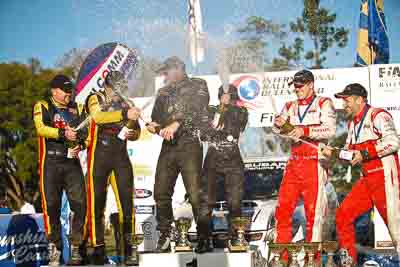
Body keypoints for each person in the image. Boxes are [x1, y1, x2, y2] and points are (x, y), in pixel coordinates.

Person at [322, 83, 400, 266]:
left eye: (346, 100)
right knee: (343, 215)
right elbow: (350, 156)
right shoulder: (352, 124)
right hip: (367, 180)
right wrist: (332, 153)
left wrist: (365, 153)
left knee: (397, 231)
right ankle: (349, 261)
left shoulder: (378, 115)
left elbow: (393, 142)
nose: (343, 105)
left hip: (386, 178)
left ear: (359, 99)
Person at [146, 56, 210, 253]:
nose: (166, 75)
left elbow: (197, 108)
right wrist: (153, 127)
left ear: (179, 68)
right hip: (169, 146)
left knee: (195, 193)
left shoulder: (198, 84)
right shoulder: (163, 92)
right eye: (164, 72)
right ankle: (165, 234)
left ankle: (204, 236)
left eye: (168, 71)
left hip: (190, 143)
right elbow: (155, 119)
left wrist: (176, 123)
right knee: (160, 192)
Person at [272, 69, 336, 262]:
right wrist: (281, 125)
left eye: (301, 85)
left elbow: (330, 128)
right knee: (282, 209)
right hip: (294, 162)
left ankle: (312, 259)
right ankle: (281, 258)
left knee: (313, 214)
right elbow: (277, 128)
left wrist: (304, 130)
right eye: (295, 85)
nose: (297, 88)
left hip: (314, 162)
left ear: (311, 85)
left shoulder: (324, 103)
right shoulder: (290, 105)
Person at [85, 70, 141, 266]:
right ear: (107, 86)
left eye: (122, 89)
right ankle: (97, 248)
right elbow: (98, 117)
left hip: (121, 156)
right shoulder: (95, 98)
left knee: (127, 204)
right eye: (116, 89)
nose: (119, 93)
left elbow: (136, 134)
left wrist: (132, 128)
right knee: (96, 204)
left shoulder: (127, 103)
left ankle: (129, 249)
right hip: (98, 155)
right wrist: (125, 113)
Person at [33, 74, 87, 266]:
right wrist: (63, 133)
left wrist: (80, 143)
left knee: (80, 205)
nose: (68, 94)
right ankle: (54, 248)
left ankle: (76, 246)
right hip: (51, 164)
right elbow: (40, 128)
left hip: (72, 164)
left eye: (70, 90)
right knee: (52, 207)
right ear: (54, 91)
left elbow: (85, 133)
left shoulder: (77, 107)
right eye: (65, 90)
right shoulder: (43, 105)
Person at [201, 84, 248, 248]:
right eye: (223, 95)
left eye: (230, 96)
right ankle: (204, 238)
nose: (226, 98)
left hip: (233, 160)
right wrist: (220, 110)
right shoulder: (211, 110)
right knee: (206, 201)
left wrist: (226, 109)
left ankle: (236, 237)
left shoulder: (241, 111)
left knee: (235, 202)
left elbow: (236, 126)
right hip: (213, 158)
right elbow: (205, 133)